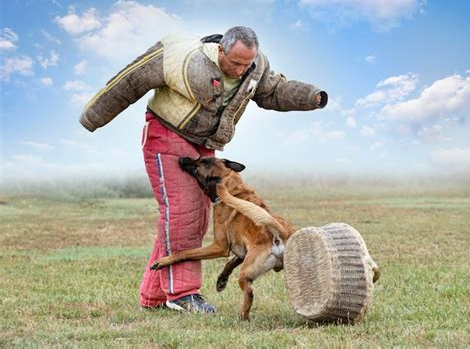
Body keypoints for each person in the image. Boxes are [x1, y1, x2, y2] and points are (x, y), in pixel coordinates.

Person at [80, 26, 328, 314]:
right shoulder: (185, 59)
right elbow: (131, 80)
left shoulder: (255, 67)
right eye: (234, 63)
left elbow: (273, 90)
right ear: (221, 50)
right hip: (167, 134)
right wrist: (93, 117)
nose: (240, 70)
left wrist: (312, 97)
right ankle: (183, 294)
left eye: (246, 64)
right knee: (184, 215)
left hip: (206, 146)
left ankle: (154, 295)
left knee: (189, 220)